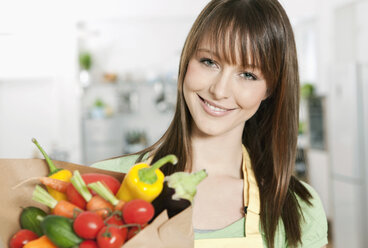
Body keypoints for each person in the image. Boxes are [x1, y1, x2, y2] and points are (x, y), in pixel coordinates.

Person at [92, 0, 328, 247]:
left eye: (248, 75)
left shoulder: (298, 209)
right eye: (209, 62)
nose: (220, 90)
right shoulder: (102, 184)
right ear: (186, 60)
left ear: (270, 89)